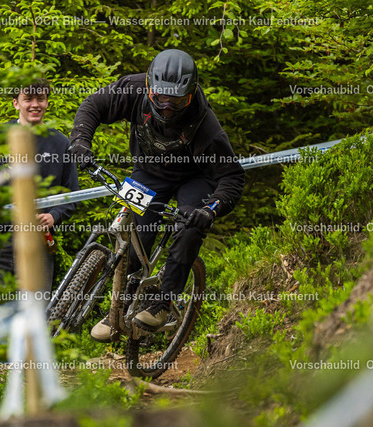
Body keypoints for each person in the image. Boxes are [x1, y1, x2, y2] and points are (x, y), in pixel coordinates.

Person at [69, 49, 245, 341]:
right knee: (131, 232)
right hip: (149, 171)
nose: (167, 108)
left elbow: (233, 176)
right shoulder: (133, 88)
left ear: (191, 95)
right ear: (149, 87)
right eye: (161, 98)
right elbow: (93, 105)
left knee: (189, 227)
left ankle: (163, 302)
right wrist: (80, 142)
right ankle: (118, 309)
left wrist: (210, 210)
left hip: (195, 178)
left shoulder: (206, 125)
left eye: (177, 101)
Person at [0, 79, 79, 288]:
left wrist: (54, 215)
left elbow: (72, 193)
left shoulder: (60, 143)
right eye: (28, 99)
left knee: (37, 304)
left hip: (39, 242)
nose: (35, 104)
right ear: (16, 103)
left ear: (47, 102)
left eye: (41, 99)